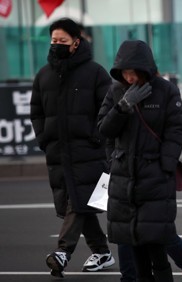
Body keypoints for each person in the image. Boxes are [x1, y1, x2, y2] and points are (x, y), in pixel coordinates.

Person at [97, 40, 182, 282]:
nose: (129, 78)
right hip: (123, 179)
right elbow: (104, 130)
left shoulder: (166, 91)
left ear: (145, 69)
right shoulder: (116, 91)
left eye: (133, 72)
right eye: (124, 73)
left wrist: (165, 164)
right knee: (130, 242)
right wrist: (123, 107)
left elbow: (175, 131)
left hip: (155, 177)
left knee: (156, 243)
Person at [30, 17, 115, 278]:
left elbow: (108, 108)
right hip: (58, 154)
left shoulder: (95, 72)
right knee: (78, 202)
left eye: (62, 41)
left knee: (77, 202)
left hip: (88, 152)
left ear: (76, 43)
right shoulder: (44, 75)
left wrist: (96, 138)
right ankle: (102, 252)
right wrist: (44, 138)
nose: (56, 44)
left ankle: (63, 251)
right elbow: (37, 111)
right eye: (54, 40)